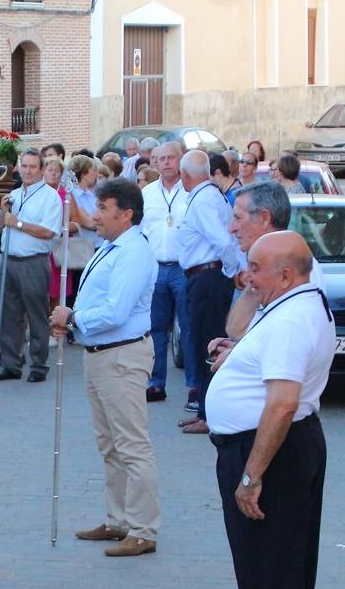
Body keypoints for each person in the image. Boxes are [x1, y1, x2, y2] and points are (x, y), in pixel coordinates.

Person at [206, 230, 335, 589]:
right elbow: (245, 333)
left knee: (272, 565)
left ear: (285, 274)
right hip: (280, 446)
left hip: (271, 452)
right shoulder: (291, 302)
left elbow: (282, 404)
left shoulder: (292, 319)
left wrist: (251, 475)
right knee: (264, 563)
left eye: (256, 268)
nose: (248, 276)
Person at [53, 178, 161, 558]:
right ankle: (119, 520)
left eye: (102, 208)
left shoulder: (133, 252)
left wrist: (73, 317)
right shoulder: (113, 246)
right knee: (110, 445)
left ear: (126, 214)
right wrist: (73, 321)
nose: (95, 215)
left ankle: (143, 529)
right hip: (101, 355)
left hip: (121, 356)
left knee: (132, 445)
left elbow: (116, 311)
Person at [174, 149, 239, 435]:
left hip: (208, 278)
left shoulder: (203, 199)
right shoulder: (207, 196)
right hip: (205, 277)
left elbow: (222, 241)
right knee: (201, 342)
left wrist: (234, 271)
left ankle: (210, 414)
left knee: (207, 345)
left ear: (185, 174)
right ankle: (204, 409)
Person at [0, 150, 62, 383]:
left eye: (33, 167)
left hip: (34, 262)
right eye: (25, 166)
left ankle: (39, 365)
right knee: (10, 315)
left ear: (41, 170)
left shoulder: (50, 197)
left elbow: (49, 232)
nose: (28, 171)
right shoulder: (13, 194)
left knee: (36, 315)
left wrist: (18, 223)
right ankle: (11, 363)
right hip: (10, 260)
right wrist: (2, 213)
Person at [140, 141, 195, 405]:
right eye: (161, 159)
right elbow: (139, 230)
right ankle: (155, 383)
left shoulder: (192, 191)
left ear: (181, 159)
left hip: (184, 268)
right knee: (155, 329)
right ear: (155, 162)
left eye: (171, 157)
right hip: (156, 268)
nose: (166, 163)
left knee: (188, 328)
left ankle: (194, 386)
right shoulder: (147, 193)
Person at [42, 156, 74, 316]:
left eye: (57, 171)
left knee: (57, 291)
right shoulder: (39, 194)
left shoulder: (66, 195)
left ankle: (54, 325)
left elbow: (76, 222)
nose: (54, 173)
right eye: (50, 170)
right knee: (40, 292)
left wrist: (62, 228)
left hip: (59, 248)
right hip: (41, 246)